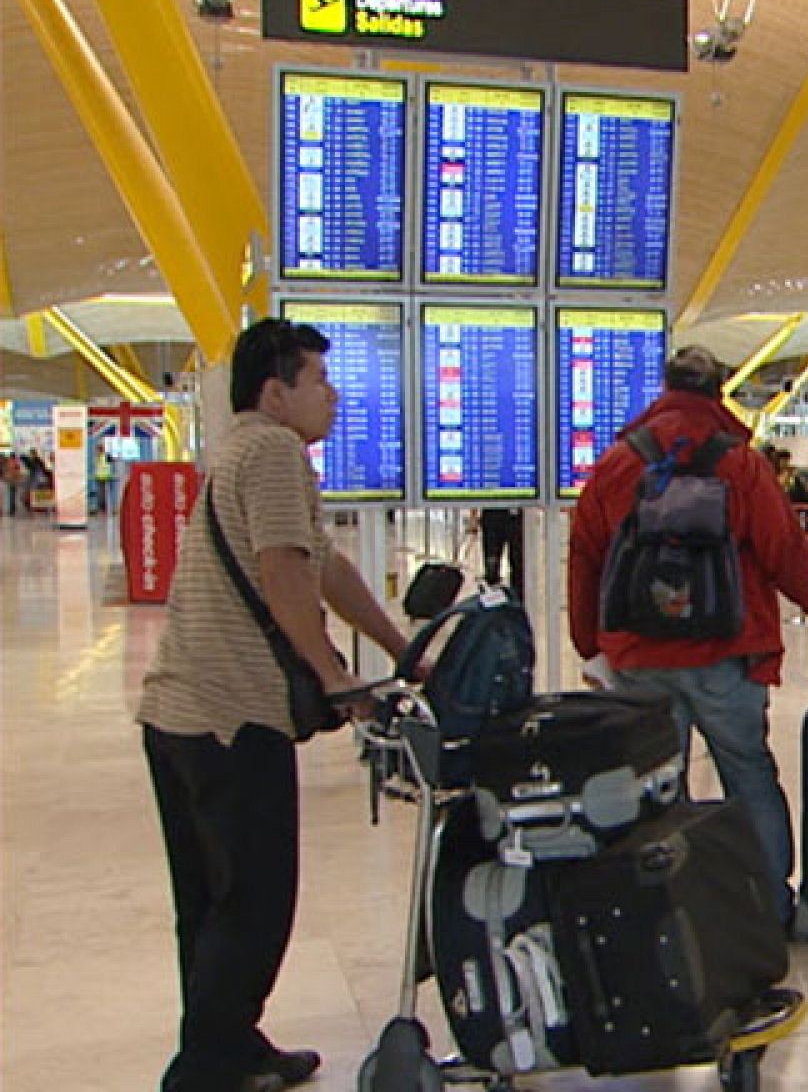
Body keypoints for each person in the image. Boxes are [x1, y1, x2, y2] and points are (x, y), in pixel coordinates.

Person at [137, 318, 420, 1092]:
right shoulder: (270, 450)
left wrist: (402, 651)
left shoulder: (240, 452)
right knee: (258, 900)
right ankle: (204, 1068)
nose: (332, 396)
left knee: (208, 899)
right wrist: (334, 677)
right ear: (275, 391)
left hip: (177, 713)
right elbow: (283, 575)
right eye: (318, 381)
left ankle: (230, 1041)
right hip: (231, 713)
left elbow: (322, 566)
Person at [567, 346, 808, 927]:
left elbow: (586, 555)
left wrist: (588, 642)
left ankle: (665, 919)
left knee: (653, 787)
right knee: (748, 773)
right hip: (727, 652)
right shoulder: (740, 464)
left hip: (640, 656)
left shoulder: (620, 462)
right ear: (719, 391)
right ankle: (771, 908)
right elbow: (782, 550)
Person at [478, 507, 525, 600]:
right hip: (492, 512)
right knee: (491, 567)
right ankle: (492, 604)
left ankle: (517, 604)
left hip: (516, 514)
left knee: (518, 565)